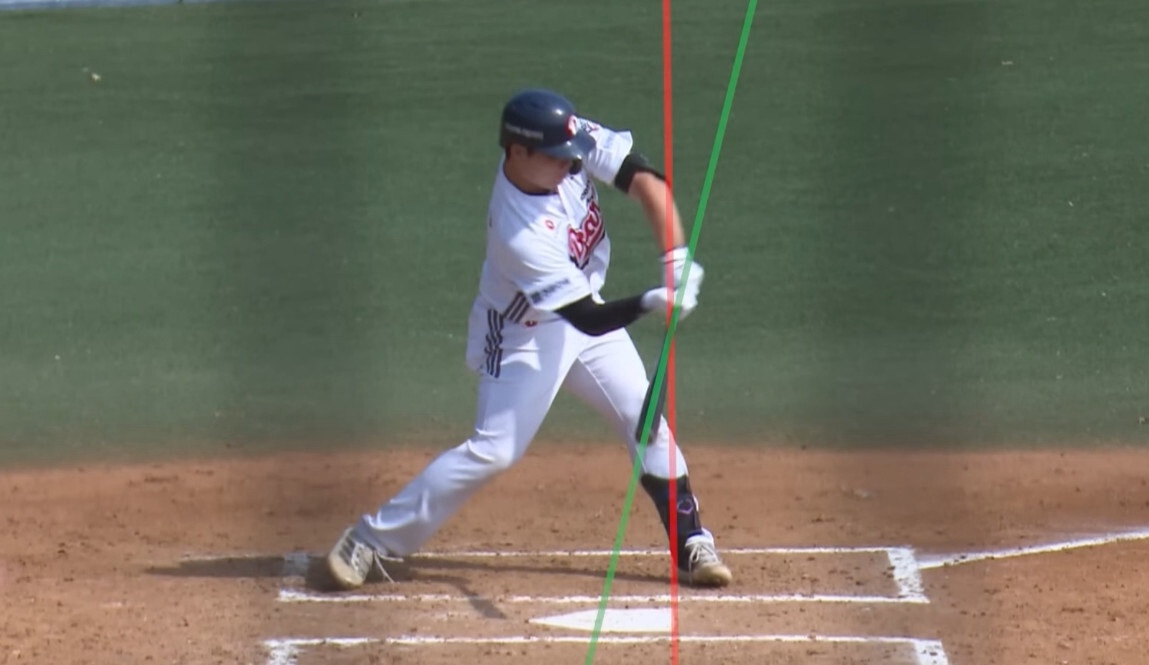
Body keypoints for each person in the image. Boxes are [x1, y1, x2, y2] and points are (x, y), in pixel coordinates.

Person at [326, 87, 732, 590]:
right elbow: (586, 319)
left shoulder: (569, 142)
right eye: (557, 158)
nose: (570, 164)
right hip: (523, 336)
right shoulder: (518, 231)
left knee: (643, 420)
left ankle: (691, 542)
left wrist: (675, 259)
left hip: (585, 305)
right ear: (518, 152)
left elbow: (648, 183)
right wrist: (653, 302)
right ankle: (369, 538)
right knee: (494, 451)